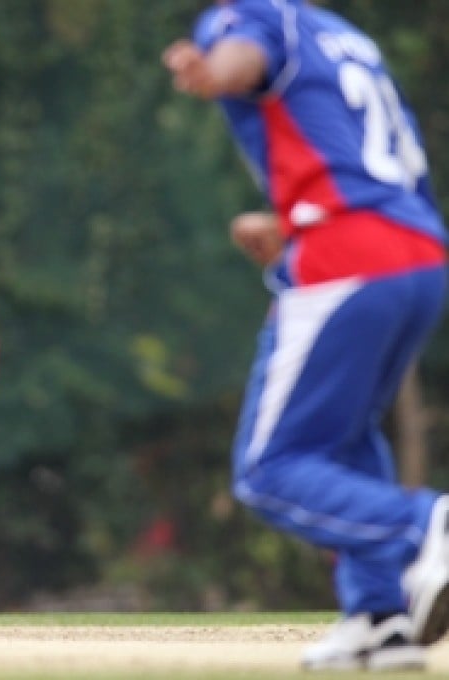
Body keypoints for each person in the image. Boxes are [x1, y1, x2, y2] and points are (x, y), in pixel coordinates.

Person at [163, 0, 449, 671]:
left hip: (345, 259)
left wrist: (213, 70)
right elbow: (360, 164)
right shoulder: (344, 34)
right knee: (343, 442)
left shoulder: (252, 14)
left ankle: (425, 526)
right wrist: (292, 225)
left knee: (271, 470)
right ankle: (379, 616)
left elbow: (241, 60)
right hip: (417, 254)